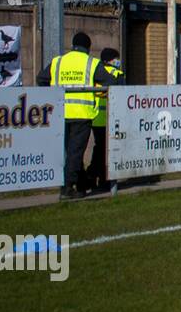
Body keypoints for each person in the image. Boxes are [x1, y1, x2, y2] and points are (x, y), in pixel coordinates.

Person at [39, 32, 122, 199]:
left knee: (69, 152)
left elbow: (41, 79)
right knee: (76, 152)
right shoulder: (91, 63)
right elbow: (110, 82)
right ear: (88, 47)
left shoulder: (58, 61)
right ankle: (68, 187)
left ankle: (82, 183)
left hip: (60, 113)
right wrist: (95, 90)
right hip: (81, 114)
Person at [88, 47, 125, 194]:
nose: (118, 61)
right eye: (116, 58)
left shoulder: (95, 72)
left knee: (99, 149)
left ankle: (93, 176)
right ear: (110, 60)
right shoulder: (116, 73)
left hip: (95, 116)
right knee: (105, 151)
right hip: (110, 118)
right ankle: (101, 178)